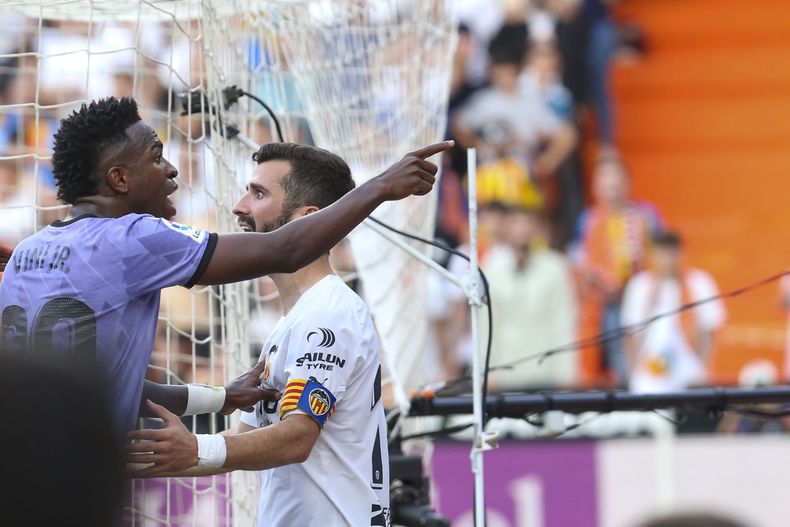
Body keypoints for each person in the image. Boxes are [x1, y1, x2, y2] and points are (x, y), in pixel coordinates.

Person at [0, 96, 450, 434]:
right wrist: (380, 188)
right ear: (119, 179)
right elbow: (284, 250)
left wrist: (220, 397)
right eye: (157, 158)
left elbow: (113, 389)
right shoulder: (134, 236)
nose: (172, 170)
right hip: (67, 479)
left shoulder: (26, 253)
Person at [127, 143, 392, 527]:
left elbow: (296, 437)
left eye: (258, 193)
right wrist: (136, 457)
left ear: (308, 218)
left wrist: (195, 446)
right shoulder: (291, 321)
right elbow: (243, 439)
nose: (239, 206)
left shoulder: (329, 312)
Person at [573, 156, 662, 386]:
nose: (610, 187)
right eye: (604, 181)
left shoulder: (646, 215)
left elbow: (660, 253)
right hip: (605, 301)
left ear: (627, 183)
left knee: (647, 350)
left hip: (642, 296)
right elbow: (580, 259)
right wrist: (597, 281)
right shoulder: (588, 220)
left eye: (616, 180)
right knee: (612, 352)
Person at [485, 207, 577, 390]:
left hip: (546, 371)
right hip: (506, 371)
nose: (522, 229)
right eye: (515, 223)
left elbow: (564, 320)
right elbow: (487, 326)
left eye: (527, 222)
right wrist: (487, 371)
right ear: (505, 229)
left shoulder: (555, 268)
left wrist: (566, 372)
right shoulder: (492, 272)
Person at [621, 231, 725, 393]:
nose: (667, 260)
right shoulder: (640, 285)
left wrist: (702, 370)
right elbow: (631, 334)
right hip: (649, 372)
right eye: (662, 254)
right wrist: (634, 374)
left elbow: (710, 330)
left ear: (682, 254)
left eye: (672, 254)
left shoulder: (699, 282)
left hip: (688, 370)